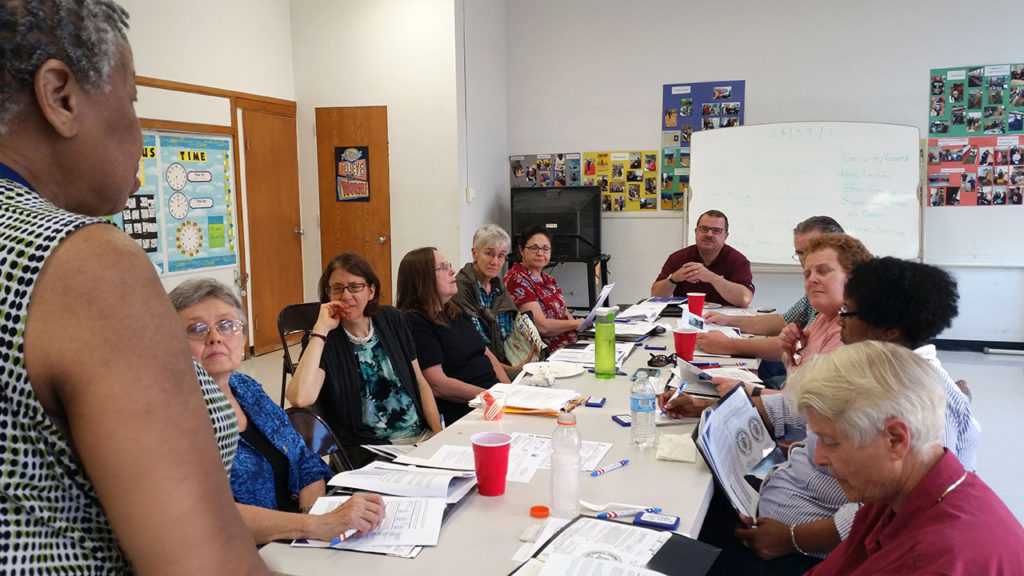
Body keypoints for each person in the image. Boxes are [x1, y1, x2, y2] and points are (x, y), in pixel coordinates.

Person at [0, 1, 266, 572]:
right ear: (61, 97)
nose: (139, 131)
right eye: (131, 100)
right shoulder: (83, 262)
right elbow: (202, 563)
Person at [171, 279, 386, 544]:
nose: (215, 337)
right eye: (196, 329)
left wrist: (314, 527)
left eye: (227, 325)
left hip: (297, 543)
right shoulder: (169, 416)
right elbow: (206, 516)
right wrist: (314, 525)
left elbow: (304, 460)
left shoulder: (246, 388)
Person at [796, 343, 1024, 575]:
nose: (819, 457)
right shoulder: (897, 496)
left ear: (895, 439)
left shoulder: (931, 560)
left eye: (831, 442)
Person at [286, 253, 441, 452]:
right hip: (372, 449)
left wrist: (438, 433)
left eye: (355, 287)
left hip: (422, 437)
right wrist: (320, 331)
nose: (346, 295)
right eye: (337, 288)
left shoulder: (393, 319)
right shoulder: (325, 340)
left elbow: (420, 382)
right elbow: (299, 398)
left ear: (371, 291)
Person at [840, 257, 979, 470]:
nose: (840, 320)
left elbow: (927, 490)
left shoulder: (924, 399)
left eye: (846, 311)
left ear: (888, 329)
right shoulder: (881, 369)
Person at [699, 216, 844, 364]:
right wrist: (728, 320)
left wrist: (729, 345)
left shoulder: (849, 313)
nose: (806, 261)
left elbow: (803, 352)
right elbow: (783, 322)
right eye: (800, 253)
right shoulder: (816, 289)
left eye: (812, 251)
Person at [398, 247, 510, 424]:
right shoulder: (415, 321)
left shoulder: (453, 309)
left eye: (448, 265)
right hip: (466, 409)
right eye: (442, 267)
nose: (452, 271)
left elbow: (485, 352)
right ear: (422, 279)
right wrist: (490, 398)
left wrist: (508, 390)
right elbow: (438, 384)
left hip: (493, 398)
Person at [779, 234, 871, 375]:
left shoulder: (850, 331)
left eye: (823, 271)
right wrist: (792, 349)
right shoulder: (823, 316)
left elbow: (810, 395)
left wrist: (755, 393)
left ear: (853, 276)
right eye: (807, 274)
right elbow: (793, 369)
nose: (812, 280)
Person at [452, 223, 535, 371]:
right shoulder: (460, 289)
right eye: (489, 253)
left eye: (501, 255)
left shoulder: (499, 287)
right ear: (474, 253)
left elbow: (514, 331)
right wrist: (512, 370)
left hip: (510, 360)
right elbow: (472, 346)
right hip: (478, 368)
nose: (495, 262)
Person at [650, 209, 754, 307]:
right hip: (686, 317)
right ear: (696, 232)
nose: (709, 234)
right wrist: (674, 278)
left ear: (725, 236)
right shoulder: (678, 258)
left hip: (724, 319)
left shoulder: (738, 261)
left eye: (716, 230)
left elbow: (744, 300)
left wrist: (711, 277)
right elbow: (655, 296)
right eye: (704, 229)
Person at [504, 225, 583, 352]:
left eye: (545, 248)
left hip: (572, 344)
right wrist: (576, 324)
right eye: (534, 248)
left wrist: (581, 325)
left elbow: (565, 314)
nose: (540, 253)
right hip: (547, 353)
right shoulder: (516, 278)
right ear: (521, 251)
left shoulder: (549, 279)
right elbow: (542, 327)